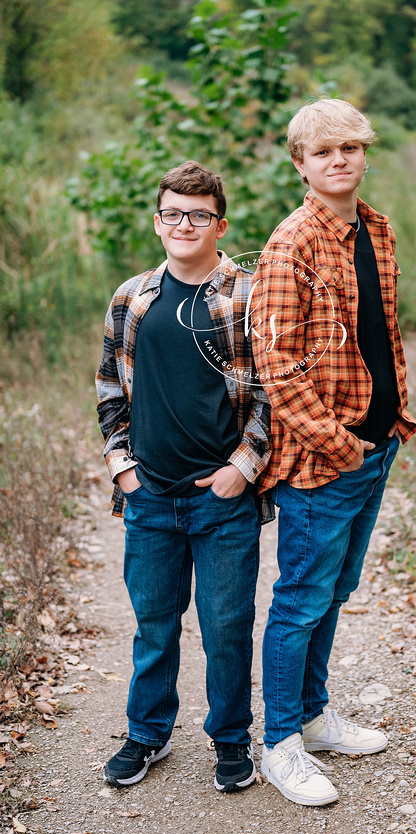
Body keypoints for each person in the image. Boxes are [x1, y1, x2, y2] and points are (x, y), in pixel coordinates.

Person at [249, 98, 416, 806]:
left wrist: (383, 428)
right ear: (300, 164)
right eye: (323, 152)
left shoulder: (374, 228)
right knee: (300, 599)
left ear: (364, 152)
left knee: (335, 592)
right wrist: (338, 443)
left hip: (378, 443)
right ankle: (280, 743)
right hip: (327, 458)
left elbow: (378, 333)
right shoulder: (290, 245)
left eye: (350, 147)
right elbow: (274, 364)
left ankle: (314, 717)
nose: (339, 160)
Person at [96, 160, 272, 793]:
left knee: (227, 628)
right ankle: (146, 734)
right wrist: (124, 470)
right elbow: (110, 388)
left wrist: (241, 469)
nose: (184, 224)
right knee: (155, 626)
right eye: (173, 213)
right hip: (149, 500)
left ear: (220, 225)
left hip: (222, 501)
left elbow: (272, 396)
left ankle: (230, 740)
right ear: (157, 222)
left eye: (199, 215)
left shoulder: (250, 297)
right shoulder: (131, 296)